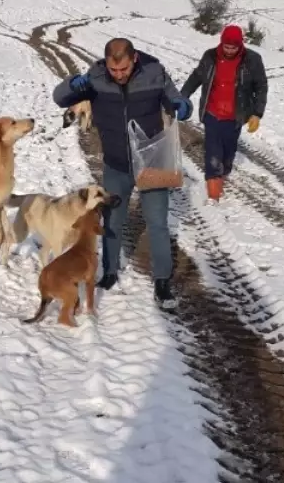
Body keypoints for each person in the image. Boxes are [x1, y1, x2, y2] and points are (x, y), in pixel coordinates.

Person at [53, 38, 192, 304]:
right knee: (112, 221)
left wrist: (182, 106)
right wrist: (73, 85)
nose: (118, 75)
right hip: (116, 162)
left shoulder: (154, 73)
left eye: (123, 69)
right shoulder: (96, 77)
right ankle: (110, 272)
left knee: (158, 223)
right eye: (113, 70)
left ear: (134, 59)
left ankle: (162, 282)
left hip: (152, 161)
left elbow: (176, 98)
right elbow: (60, 99)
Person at [179, 23, 268, 201]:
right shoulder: (210, 56)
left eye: (233, 47)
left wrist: (257, 113)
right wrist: (183, 96)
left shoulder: (252, 60)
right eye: (226, 46)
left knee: (228, 150)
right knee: (212, 150)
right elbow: (197, 76)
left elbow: (261, 87)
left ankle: (224, 171)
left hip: (235, 114)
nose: (229, 50)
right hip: (212, 112)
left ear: (240, 45)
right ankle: (213, 188)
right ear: (221, 43)